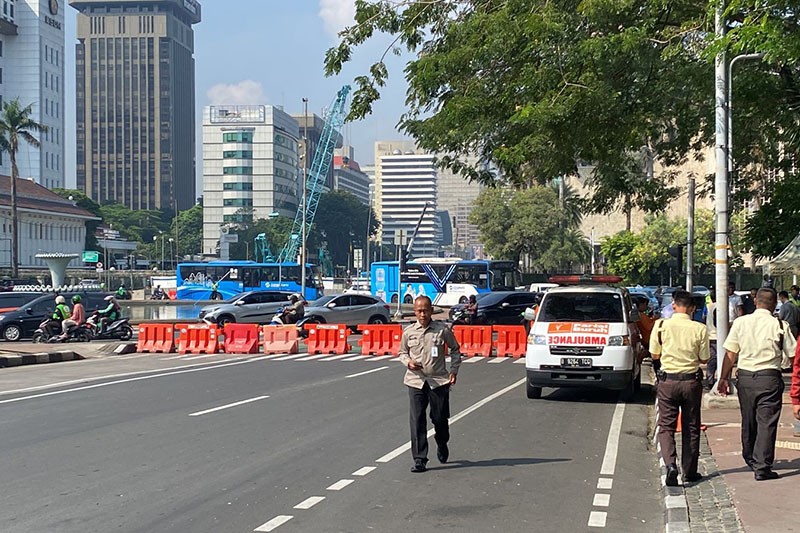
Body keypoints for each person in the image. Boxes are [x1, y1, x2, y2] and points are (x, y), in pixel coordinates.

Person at [718, 288, 796, 481]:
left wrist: (723, 378)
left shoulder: (740, 323)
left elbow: (730, 354)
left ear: (756, 301)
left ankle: (750, 456)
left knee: (748, 419)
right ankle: (762, 466)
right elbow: (793, 354)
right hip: (769, 377)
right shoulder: (779, 325)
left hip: (745, 377)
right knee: (767, 422)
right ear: (774, 303)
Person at [649, 290, 709, 486]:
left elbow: (654, 354)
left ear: (673, 305)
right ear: (692, 309)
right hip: (691, 382)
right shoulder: (700, 329)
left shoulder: (660, 326)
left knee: (666, 426)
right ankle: (689, 471)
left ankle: (670, 465)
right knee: (692, 426)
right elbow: (704, 358)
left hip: (668, 381)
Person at [399, 295, 461, 473]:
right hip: (415, 381)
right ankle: (420, 459)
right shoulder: (409, 332)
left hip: (438, 381)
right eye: (419, 311)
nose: (422, 314)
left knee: (439, 419)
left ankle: (442, 443)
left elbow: (456, 350)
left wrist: (454, 371)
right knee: (417, 420)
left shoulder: (442, 330)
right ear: (414, 312)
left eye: (425, 310)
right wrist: (408, 362)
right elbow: (402, 352)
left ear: (431, 311)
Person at [703, 292, 718, 391]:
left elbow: (703, 318)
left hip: (710, 335)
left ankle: (710, 380)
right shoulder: (719, 308)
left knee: (711, 361)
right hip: (718, 336)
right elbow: (718, 322)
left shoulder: (708, 306)